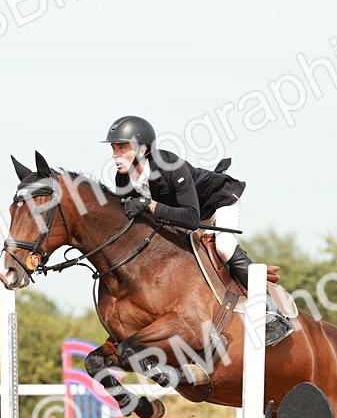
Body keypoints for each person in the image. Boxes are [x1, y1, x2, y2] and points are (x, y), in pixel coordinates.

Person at [103, 115, 292, 346]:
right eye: (114, 148)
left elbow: (191, 218)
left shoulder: (170, 167)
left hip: (217, 205)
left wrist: (149, 205)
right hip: (181, 217)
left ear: (142, 149)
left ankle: (271, 312)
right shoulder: (123, 179)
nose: (115, 155)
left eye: (122, 148)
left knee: (224, 247)